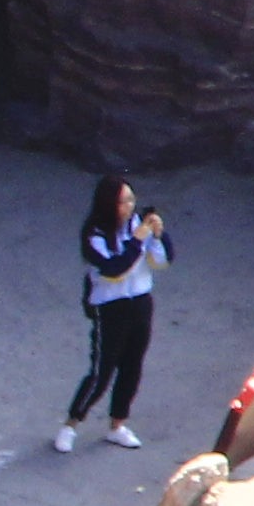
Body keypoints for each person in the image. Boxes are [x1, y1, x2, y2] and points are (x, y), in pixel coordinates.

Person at [56, 174, 170, 452]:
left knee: (132, 365)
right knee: (101, 371)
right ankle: (71, 423)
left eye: (131, 199)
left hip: (140, 301)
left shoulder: (137, 226)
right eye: (123, 201)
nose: (130, 206)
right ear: (109, 204)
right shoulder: (94, 234)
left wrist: (158, 235)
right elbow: (114, 269)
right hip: (110, 307)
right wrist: (138, 240)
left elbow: (162, 260)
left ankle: (117, 425)